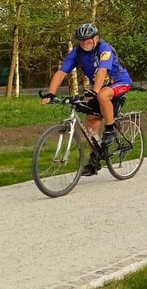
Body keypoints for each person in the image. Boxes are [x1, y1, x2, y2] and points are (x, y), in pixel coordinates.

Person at [42, 23, 132, 176]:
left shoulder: (104, 49)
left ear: (96, 38)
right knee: (91, 119)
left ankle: (110, 130)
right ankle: (94, 160)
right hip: (99, 86)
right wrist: (51, 93)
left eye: (88, 40)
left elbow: (103, 71)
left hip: (120, 82)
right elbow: (62, 72)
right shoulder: (77, 53)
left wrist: (95, 91)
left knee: (103, 95)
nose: (85, 43)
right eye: (81, 40)